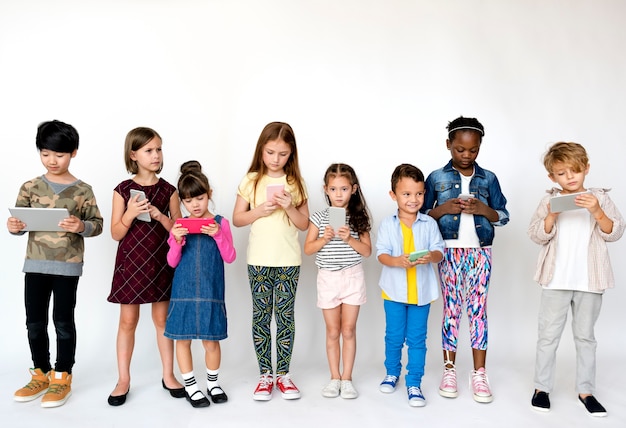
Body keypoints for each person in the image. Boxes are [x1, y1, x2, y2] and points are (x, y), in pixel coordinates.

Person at [8, 120, 103, 408]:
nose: (52, 160)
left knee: (62, 321)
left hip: (67, 266)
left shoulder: (83, 190)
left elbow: (97, 225)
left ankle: (63, 375)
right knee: (34, 323)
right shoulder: (30, 186)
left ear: (73, 153)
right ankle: (41, 373)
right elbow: (19, 223)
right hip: (35, 264)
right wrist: (14, 226)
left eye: (59, 155)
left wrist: (80, 225)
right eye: (45, 153)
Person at [527, 142, 624, 417]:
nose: (570, 177)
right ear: (552, 177)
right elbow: (536, 235)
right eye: (561, 172)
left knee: (585, 337)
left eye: (575, 170)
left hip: (589, 281)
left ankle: (586, 391)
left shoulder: (600, 199)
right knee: (548, 337)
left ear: (586, 169)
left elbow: (614, 232)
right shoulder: (549, 201)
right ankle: (541, 388)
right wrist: (551, 216)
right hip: (555, 280)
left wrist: (597, 211)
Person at [421, 116, 509, 404]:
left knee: (477, 311)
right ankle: (449, 369)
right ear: (449, 145)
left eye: (473, 150)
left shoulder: (489, 178)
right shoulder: (436, 178)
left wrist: (483, 209)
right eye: (460, 149)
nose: (466, 155)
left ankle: (479, 373)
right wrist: (443, 208)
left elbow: (503, 216)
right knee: (452, 311)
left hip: (480, 252)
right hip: (449, 252)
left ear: (480, 147)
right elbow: (419, 216)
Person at [106, 127, 184, 406]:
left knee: (162, 321)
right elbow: (116, 233)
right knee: (128, 322)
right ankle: (123, 379)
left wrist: (159, 216)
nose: (156, 155)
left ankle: (168, 375)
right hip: (131, 264)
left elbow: (179, 229)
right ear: (133, 155)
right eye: (149, 150)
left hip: (160, 263)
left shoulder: (169, 190)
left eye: (159, 149)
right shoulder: (122, 190)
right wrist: (129, 213)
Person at [232, 121, 309, 401]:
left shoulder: (295, 183)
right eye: (270, 152)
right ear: (261, 151)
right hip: (259, 260)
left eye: (283, 154)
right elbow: (237, 219)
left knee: (285, 318)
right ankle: (265, 374)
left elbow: (304, 225)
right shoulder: (251, 179)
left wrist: (289, 206)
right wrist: (260, 210)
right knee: (262, 317)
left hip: (289, 260)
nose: (276, 159)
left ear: (292, 154)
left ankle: (283, 375)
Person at [165, 161, 236, 408]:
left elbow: (230, 256)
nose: (195, 205)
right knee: (182, 340)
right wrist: (176, 240)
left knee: (211, 340)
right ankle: (191, 385)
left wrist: (217, 234)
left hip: (210, 291)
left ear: (209, 195)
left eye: (200, 198)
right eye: (188, 200)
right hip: (183, 292)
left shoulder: (221, 223)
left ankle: (213, 383)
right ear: (182, 202)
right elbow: (172, 262)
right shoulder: (179, 225)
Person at [376, 163, 445, 407]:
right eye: (406, 194)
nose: (413, 199)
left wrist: (431, 257)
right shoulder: (387, 224)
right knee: (394, 337)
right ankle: (392, 372)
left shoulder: (429, 223)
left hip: (421, 294)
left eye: (418, 193)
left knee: (417, 339)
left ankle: (414, 381)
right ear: (393, 195)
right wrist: (397, 261)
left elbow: (440, 251)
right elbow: (381, 254)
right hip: (393, 291)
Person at [304, 163, 372, 399]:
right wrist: (324, 239)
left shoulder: (358, 217)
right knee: (333, 331)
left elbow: (367, 251)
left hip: (352, 276)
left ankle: (347, 378)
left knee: (349, 329)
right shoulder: (319, 218)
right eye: (334, 189)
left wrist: (349, 238)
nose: (339, 194)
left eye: (344, 189)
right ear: (326, 189)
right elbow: (308, 249)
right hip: (328, 279)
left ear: (353, 189)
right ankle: (334, 377)